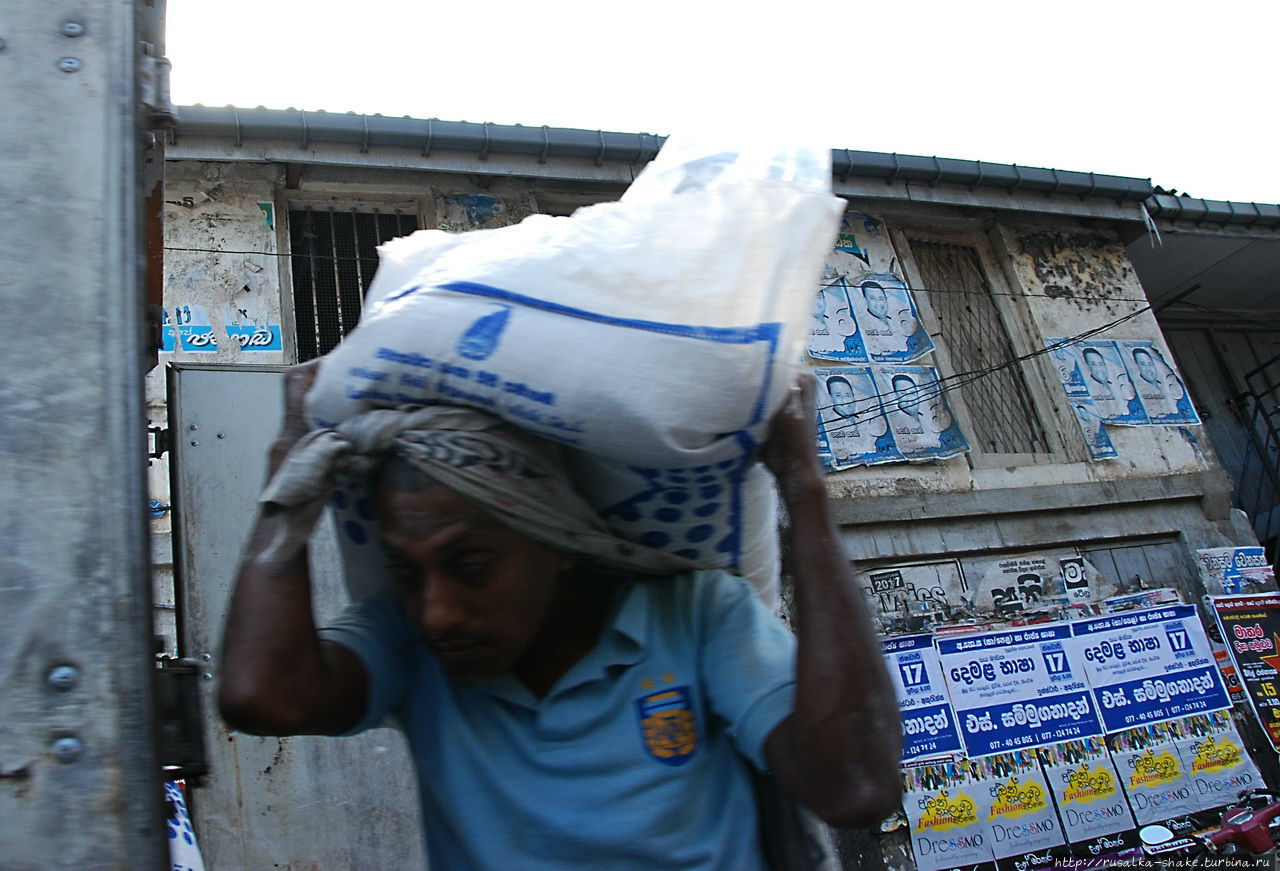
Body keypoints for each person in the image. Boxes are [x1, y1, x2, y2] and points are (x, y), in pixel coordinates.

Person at [218, 362, 903, 871]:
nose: (437, 613)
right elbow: (259, 694)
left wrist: (803, 485)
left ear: (560, 541)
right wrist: (289, 462)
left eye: (473, 564)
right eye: (407, 572)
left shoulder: (694, 616)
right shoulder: (407, 644)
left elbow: (855, 783)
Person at [821, 373, 888, 464]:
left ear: (853, 396)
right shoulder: (827, 424)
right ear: (830, 398)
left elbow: (879, 433)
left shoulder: (867, 416)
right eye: (838, 396)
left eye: (848, 395)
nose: (845, 401)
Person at [885, 373, 951, 454]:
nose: (910, 398)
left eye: (912, 392)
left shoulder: (929, 412)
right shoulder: (893, 421)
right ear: (895, 396)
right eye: (903, 393)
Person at [1080, 346, 1135, 420]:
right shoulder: (1089, 388)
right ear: (1088, 366)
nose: (1099, 368)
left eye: (1101, 364)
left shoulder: (1117, 385)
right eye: (1094, 364)